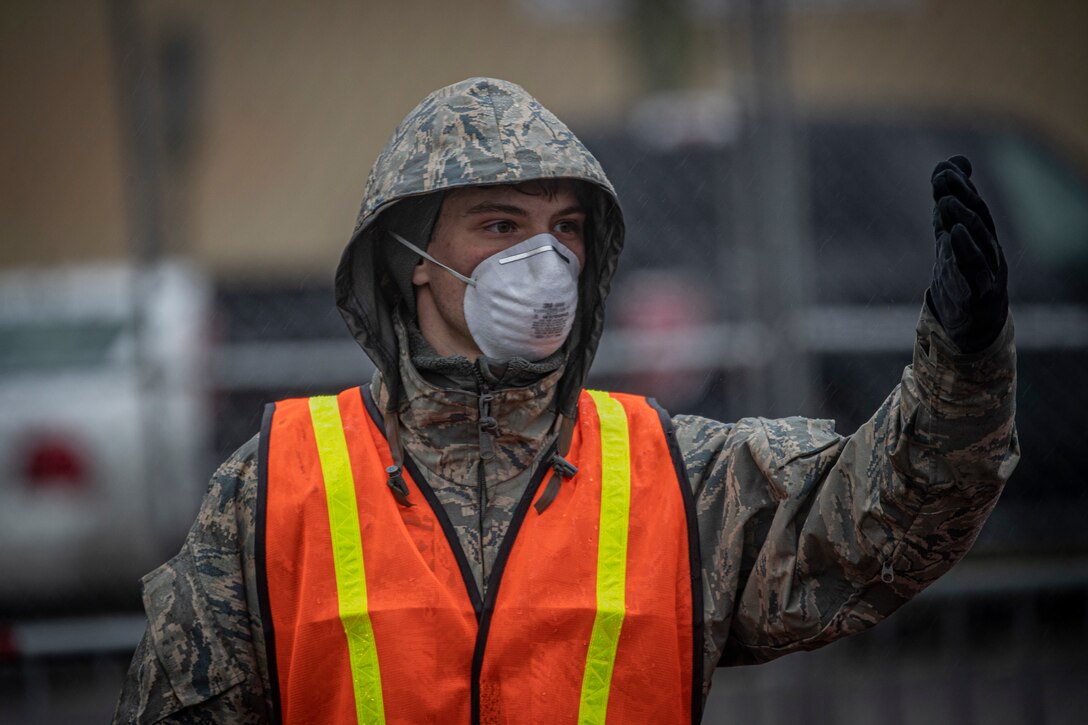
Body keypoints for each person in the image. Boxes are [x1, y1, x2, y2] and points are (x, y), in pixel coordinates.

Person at [114, 77, 1018, 724]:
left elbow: (878, 519)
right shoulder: (275, 484)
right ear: (409, 263)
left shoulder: (672, 471)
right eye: (502, 225)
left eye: (566, 229)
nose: (545, 262)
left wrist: (962, 359)